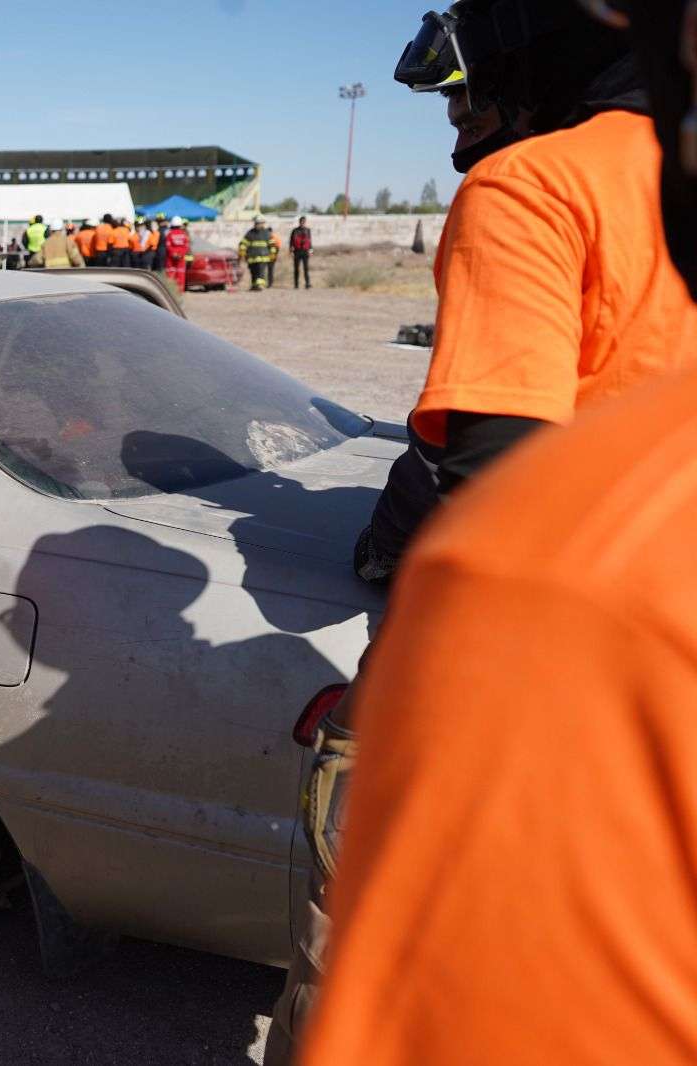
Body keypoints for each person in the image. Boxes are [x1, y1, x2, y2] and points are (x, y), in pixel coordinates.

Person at [265, 3, 697, 1061]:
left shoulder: (533, 185)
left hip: (553, 680)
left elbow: (496, 477)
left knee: (358, 921)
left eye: (465, 94)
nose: (459, 121)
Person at [237, 214, 276, 290]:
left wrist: (272, 254)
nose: (257, 225)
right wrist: (242, 251)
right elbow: (243, 243)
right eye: (256, 223)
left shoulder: (267, 233)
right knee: (253, 272)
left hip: (263, 257)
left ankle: (260, 285)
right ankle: (254, 285)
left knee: (260, 272)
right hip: (251, 257)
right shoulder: (250, 233)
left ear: (263, 223)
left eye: (259, 223)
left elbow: (272, 245)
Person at [163, 215, 191, 291]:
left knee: (170, 276)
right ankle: (180, 292)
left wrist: (174, 254)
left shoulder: (169, 234)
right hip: (181, 259)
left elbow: (168, 246)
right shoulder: (184, 234)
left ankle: (170, 292)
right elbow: (186, 247)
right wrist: (180, 254)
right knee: (180, 276)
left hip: (171, 260)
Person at [289, 215, 313, 288]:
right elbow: (291, 242)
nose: (302, 223)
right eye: (301, 221)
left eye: (304, 222)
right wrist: (291, 251)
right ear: (299, 222)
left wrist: (311, 251)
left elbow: (310, 241)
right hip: (297, 251)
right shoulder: (295, 230)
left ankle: (307, 284)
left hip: (305, 251)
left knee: (306, 268)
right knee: (296, 269)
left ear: (305, 222)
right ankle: (296, 285)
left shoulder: (308, 230)